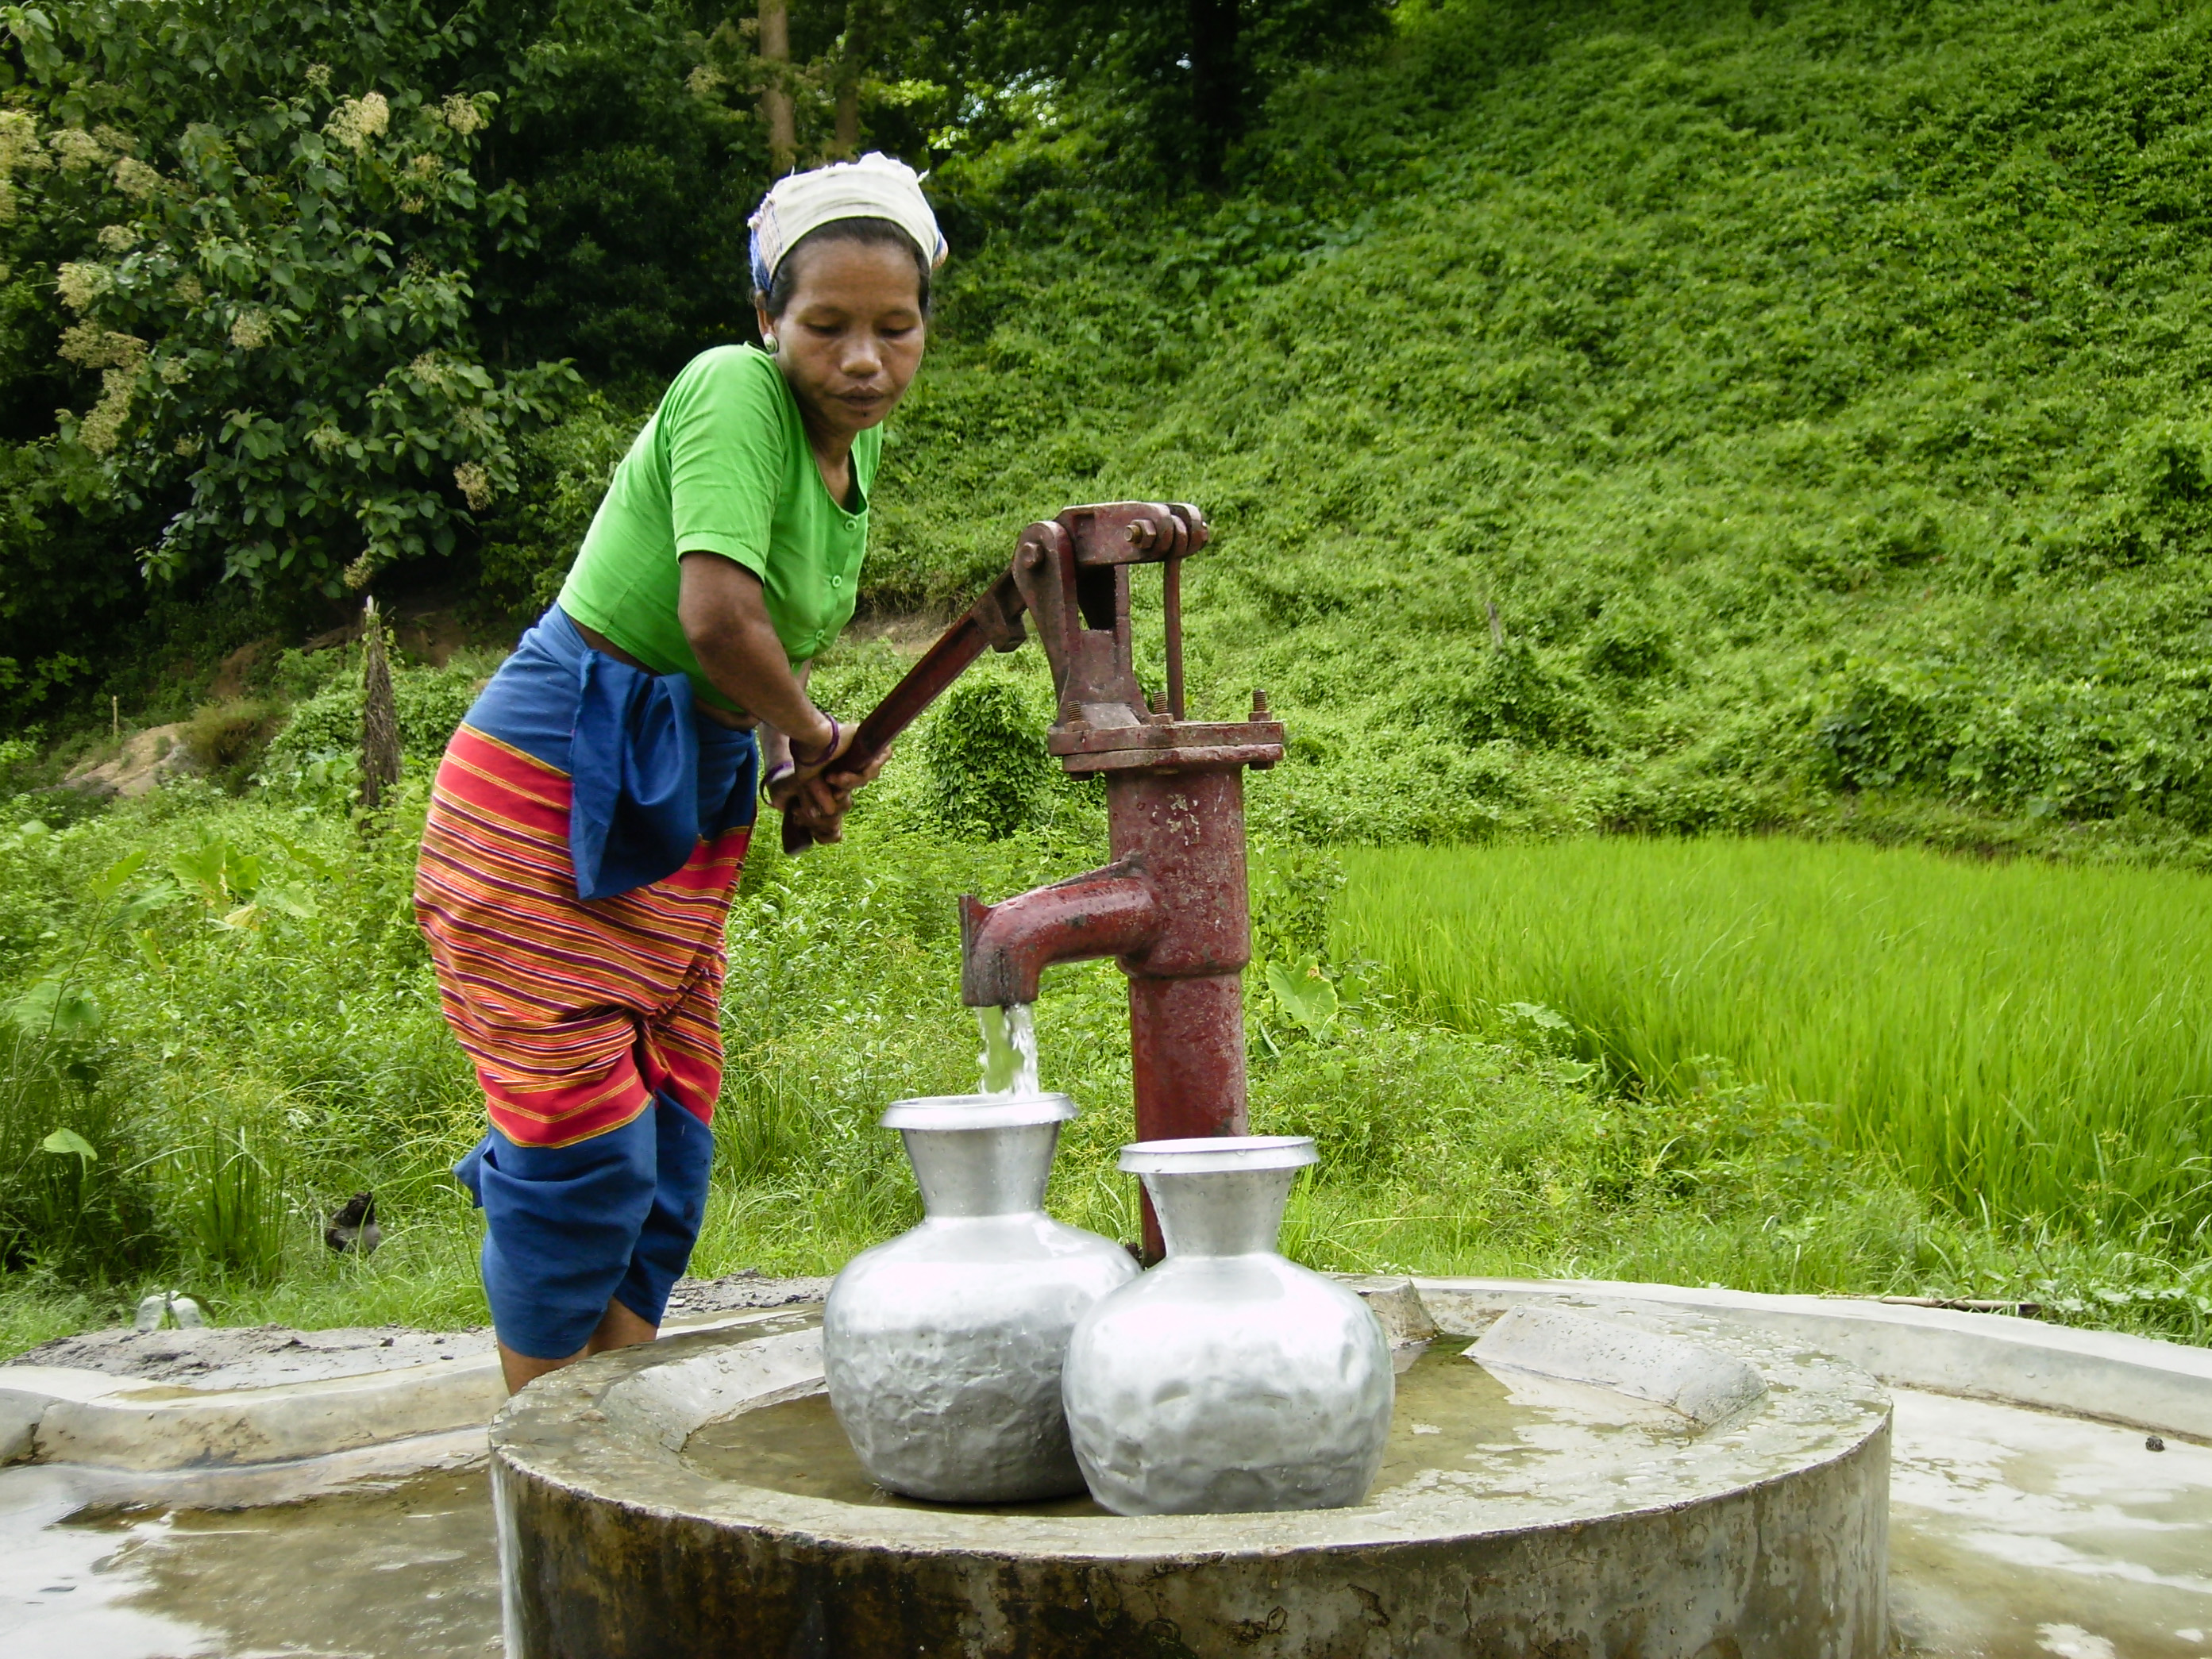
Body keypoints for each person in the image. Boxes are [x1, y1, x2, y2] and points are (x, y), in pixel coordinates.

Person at [414, 153, 943, 1394]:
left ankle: (614, 1429)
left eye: (894, 328)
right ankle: (549, 1461)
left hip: (683, 805)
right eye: (826, 326)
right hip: (557, 778)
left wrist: (778, 757)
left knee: (665, 1140)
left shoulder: (849, 459)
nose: (863, 359)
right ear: (769, 319)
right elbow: (715, 620)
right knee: (578, 1142)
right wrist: (812, 731)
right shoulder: (732, 391)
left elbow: (763, 654)